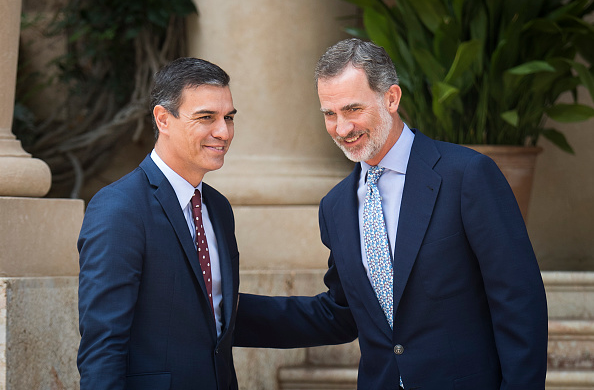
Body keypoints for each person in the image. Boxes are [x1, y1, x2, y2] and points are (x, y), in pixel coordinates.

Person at [234, 39, 548, 389]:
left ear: (392, 98)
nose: (342, 128)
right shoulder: (335, 207)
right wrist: (219, 312)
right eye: (329, 114)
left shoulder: (468, 176)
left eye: (353, 109)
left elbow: (519, 302)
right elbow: (340, 314)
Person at [77, 57, 240, 390]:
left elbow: (211, 310)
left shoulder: (218, 208)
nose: (223, 132)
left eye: (228, 118)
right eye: (206, 117)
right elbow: (103, 345)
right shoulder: (118, 208)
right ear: (163, 119)